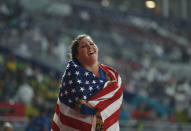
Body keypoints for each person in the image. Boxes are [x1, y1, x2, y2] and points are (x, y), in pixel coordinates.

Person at [51, 34, 123, 131]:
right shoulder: (72, 74)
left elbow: (112, 101)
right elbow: (80, 106)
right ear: (77, 55)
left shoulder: (111, 74)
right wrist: (104, 92)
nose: (90, 47)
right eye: (84, 46)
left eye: (92, 43)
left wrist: (93, 105)